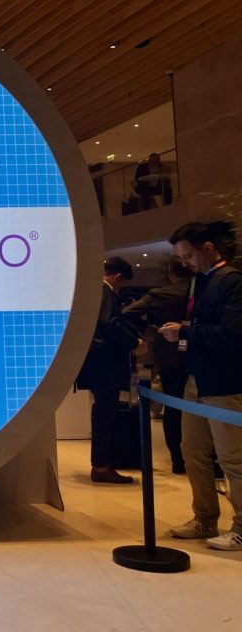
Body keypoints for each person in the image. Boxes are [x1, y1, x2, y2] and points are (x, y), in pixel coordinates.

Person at [160, 222, 242, 550]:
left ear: (208, 248)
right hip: (196, 379)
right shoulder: (200, 280)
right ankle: (205, 519)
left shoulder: (231, 281)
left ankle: (241, 526)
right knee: (192, 451)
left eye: (188, 256)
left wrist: (185, 332)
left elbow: (233, 334)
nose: (185, 263)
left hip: (225, 383)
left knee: (232, 458)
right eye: (181, 258)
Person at [75, 257, 142, 484]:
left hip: (96, 363)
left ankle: (101, 465)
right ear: (118, 277)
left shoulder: (92, 293)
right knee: (105, 414)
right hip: (105, 364)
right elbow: (109, 322)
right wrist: (134, 341)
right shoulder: (106, 293)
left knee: (102, 412)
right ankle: (102, 467)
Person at [123, 260, 191, 474]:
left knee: (173, 408)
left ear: (171, 273)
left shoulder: (160, 295)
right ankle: (205, 460)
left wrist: (150, 328)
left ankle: (178, 459)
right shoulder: (198, 291)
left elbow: (127, 312)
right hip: (201, 356)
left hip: (169, 357)